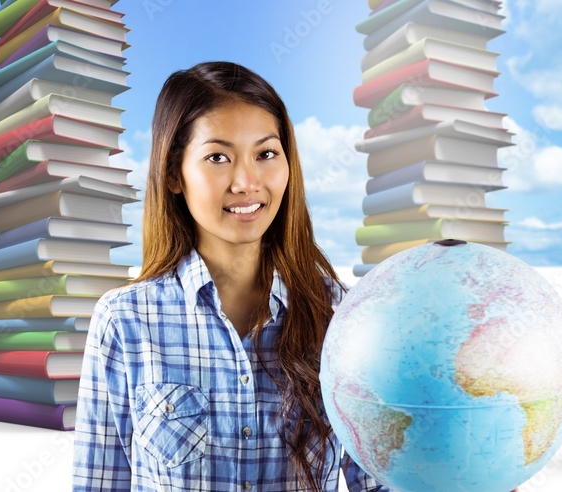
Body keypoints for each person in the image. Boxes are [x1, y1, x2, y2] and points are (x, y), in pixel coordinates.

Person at [72, 61, 388, 491]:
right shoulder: (124, 322)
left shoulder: (341, 314)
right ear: (172, 174)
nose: (246, 181)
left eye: (266, 154)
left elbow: (380, 480)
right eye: (218, 157)